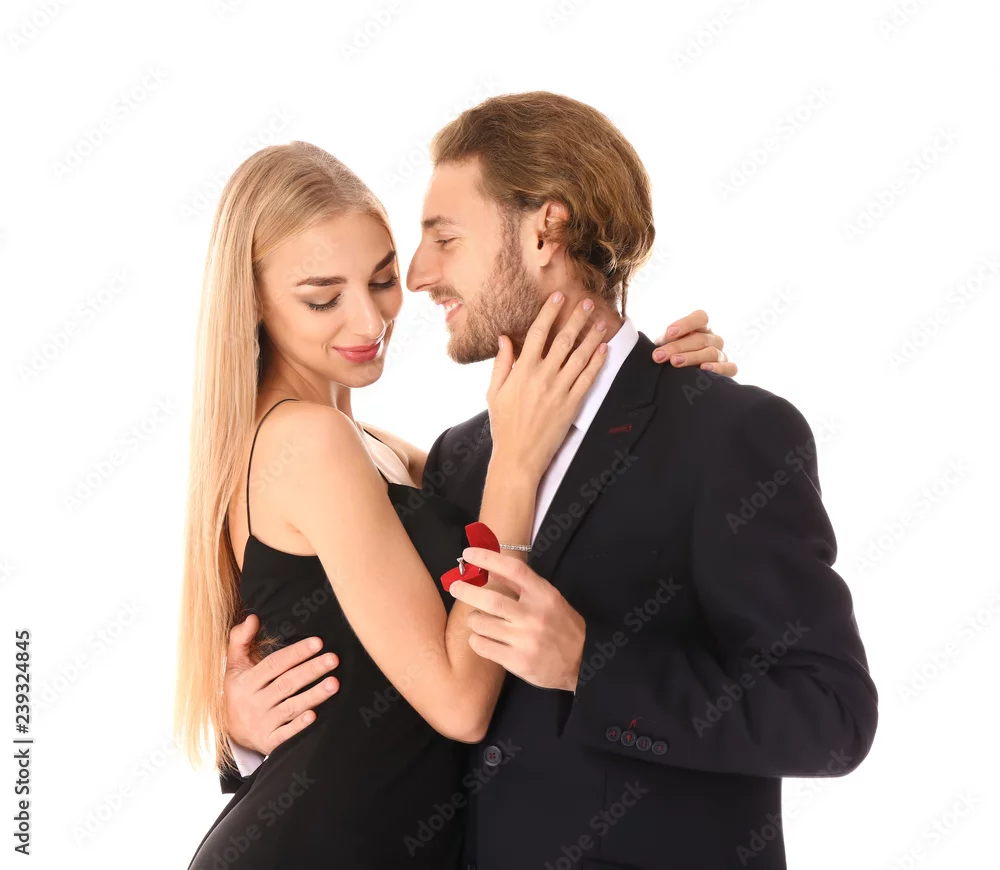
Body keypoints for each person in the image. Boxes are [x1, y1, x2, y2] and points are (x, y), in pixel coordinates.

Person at [224, 92, 878, 870]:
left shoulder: (725, 434)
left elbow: (831, 717)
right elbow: (393, 682)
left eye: (443, 237)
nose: (420, 275)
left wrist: (587, 665)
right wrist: (241, 735)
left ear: (546, 231)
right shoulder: (463, 460)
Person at [176, 135, 733, 869]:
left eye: (381, 280)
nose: (369, 321)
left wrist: (655, 381)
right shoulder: (307, 442)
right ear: (252, 302)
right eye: (322, 298)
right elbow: (459, 705)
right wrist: (517, 464)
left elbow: (557, 478)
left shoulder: (384, 449)